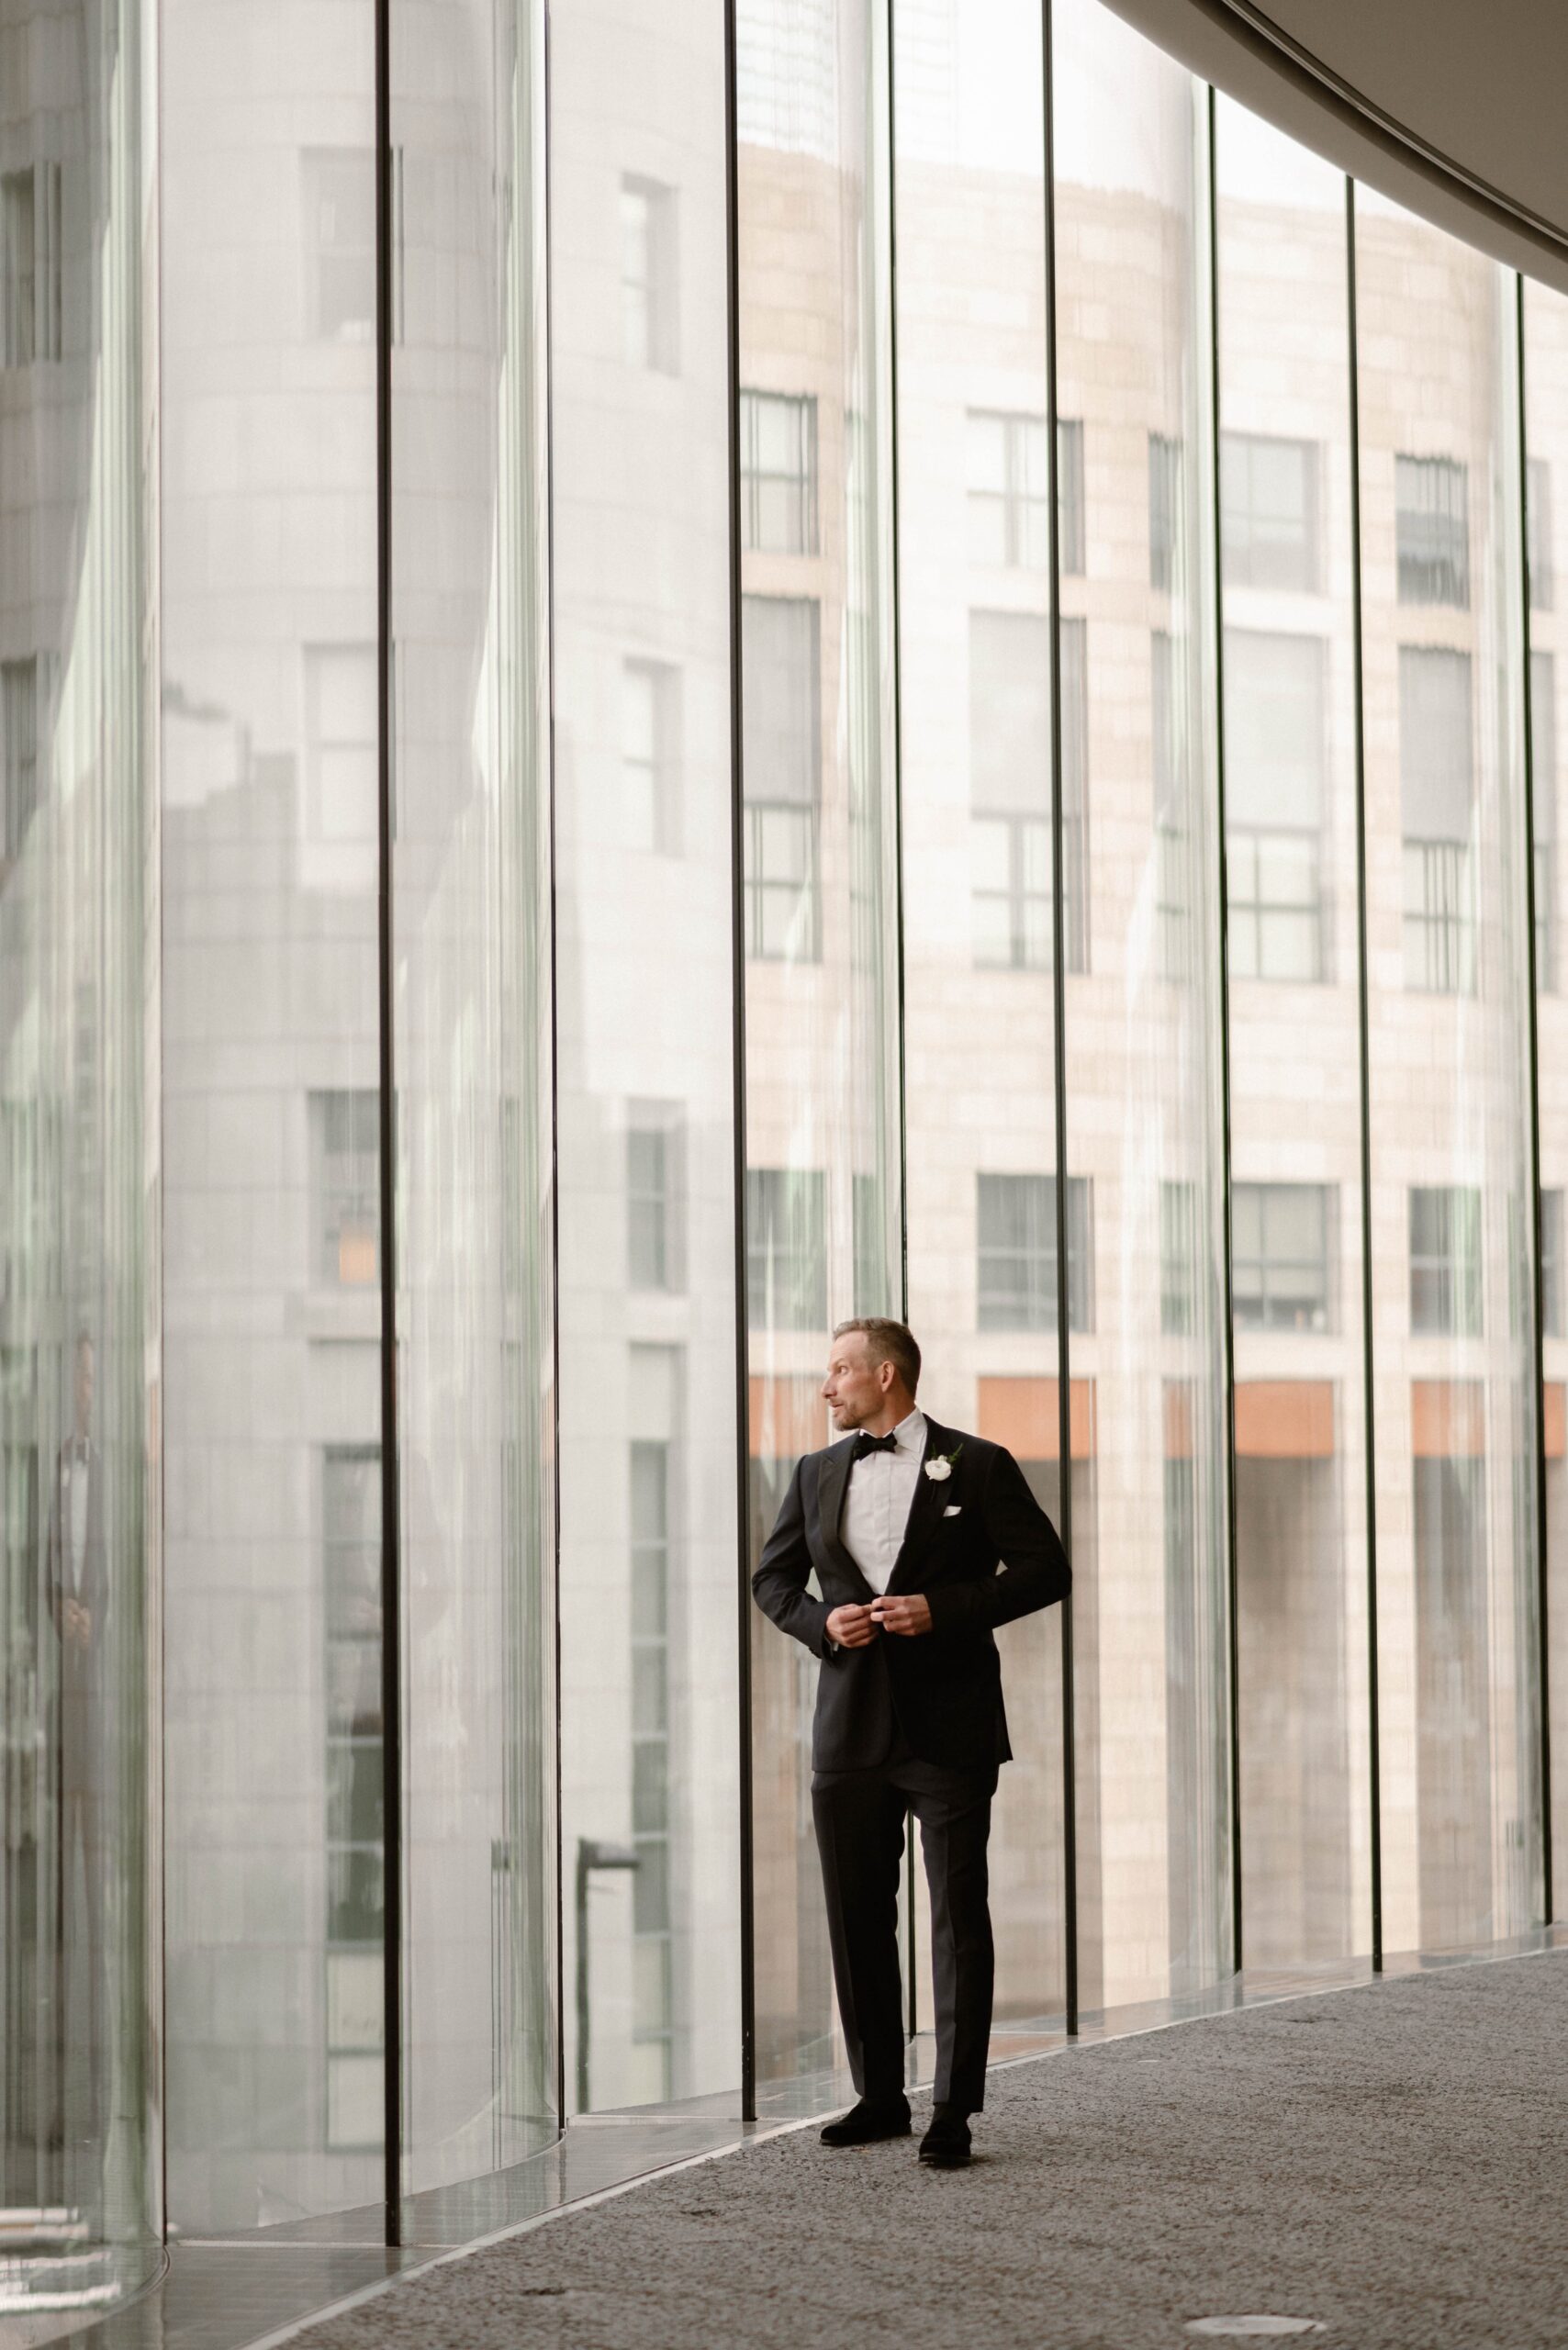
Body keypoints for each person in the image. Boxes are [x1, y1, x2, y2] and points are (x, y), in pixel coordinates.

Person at [752, 1317, 1070, 2169]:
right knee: (857, 1918)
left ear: (886, 1375)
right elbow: (772, 1579)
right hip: (849, 1728)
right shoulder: (817, 1472)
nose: (827, 1387)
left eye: (839, 1371)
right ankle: (880, 2097)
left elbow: (1046, 1570)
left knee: (958, 1919)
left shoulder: (979, 1463)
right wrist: (823, 1623)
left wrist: (948, 1607)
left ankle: (953, 2111)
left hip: (951, 1728)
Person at [46, 1331, 107, 2188]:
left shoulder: (122, 1471)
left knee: (100, 1904)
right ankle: (61, 2107)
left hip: (108, 1717)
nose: (84, 1386)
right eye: (75, 1373)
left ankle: (103, 2101)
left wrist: (98, 1615)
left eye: (93, 1373)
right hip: (59, 1707)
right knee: (60, 1913)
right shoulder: (46, 1466)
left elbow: (130, 1572)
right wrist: (54, 1606)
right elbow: (32, 1566)